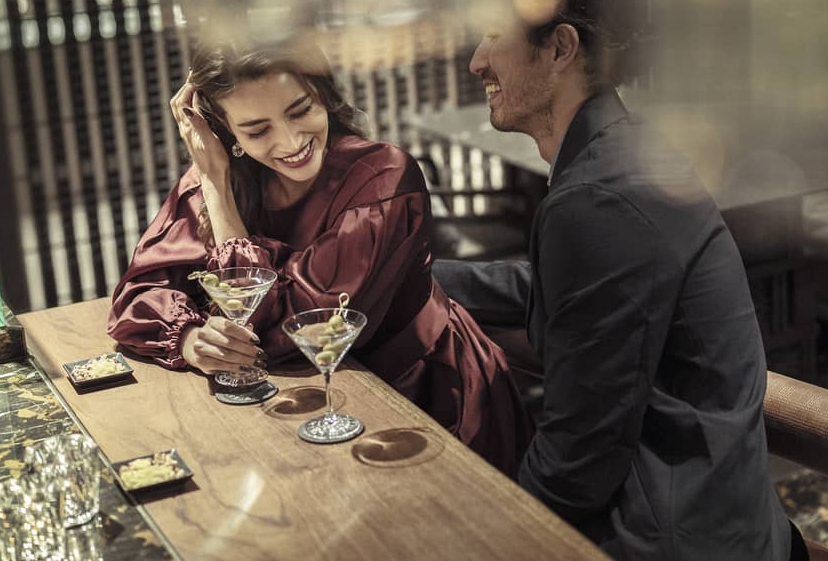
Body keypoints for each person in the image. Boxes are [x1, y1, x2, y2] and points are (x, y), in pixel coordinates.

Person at [434, 0, 807, 561]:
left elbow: (578, 455)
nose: (477, 62)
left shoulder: (597, 196)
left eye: (492, 37)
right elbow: (566, 300)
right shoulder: (613, 152)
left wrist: (487, 550)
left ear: (561, 48)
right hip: (694, 523)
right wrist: (423, 278)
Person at [108, 38, 533, 475]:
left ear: (323, 94)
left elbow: (296, 331)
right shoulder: (214, 178)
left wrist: (220, 201)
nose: (290, 142)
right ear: (223, 130)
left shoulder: (383, 177)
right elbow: (139, 291)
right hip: (299, 409)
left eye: (300, 111)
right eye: (256, 130)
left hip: (424, 399)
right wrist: (191, 340)